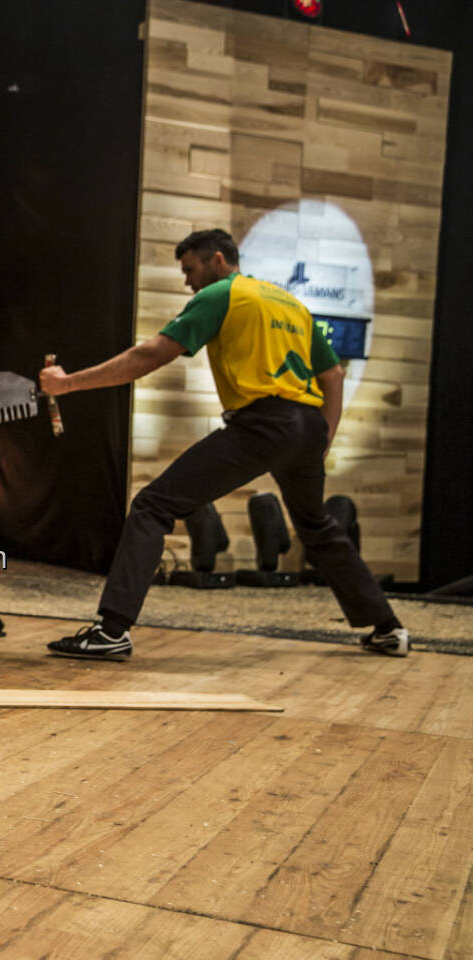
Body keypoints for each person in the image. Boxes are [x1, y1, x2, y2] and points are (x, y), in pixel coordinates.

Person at [39, 228, 408, 661]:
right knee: (317, 525)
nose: (187, 281)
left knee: (153, 505)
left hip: (263, 425)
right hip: (307, 425)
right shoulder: (290, 303)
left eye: (190, 269)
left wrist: (67, 385)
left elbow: (150, 355)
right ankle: (388, 629)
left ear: (217, 260)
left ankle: (112, 630)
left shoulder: (222, 295)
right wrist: (321, 438)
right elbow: (333, 376)